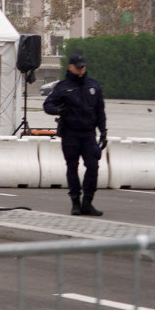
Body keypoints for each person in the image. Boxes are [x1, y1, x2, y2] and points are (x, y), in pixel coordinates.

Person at [43, 53, 107, 217]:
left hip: (88, 134)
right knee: (72, 168)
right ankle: (75, 203)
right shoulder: (62, 87)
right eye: (78, 67)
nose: (80, 70)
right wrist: (57, 110)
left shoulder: (93, 86)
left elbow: (100, 111)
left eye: (82, 67)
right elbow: (48, 105)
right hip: (70, 133)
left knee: (93, 167)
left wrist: (103, 132)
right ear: (70, 67)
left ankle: (88, 202)